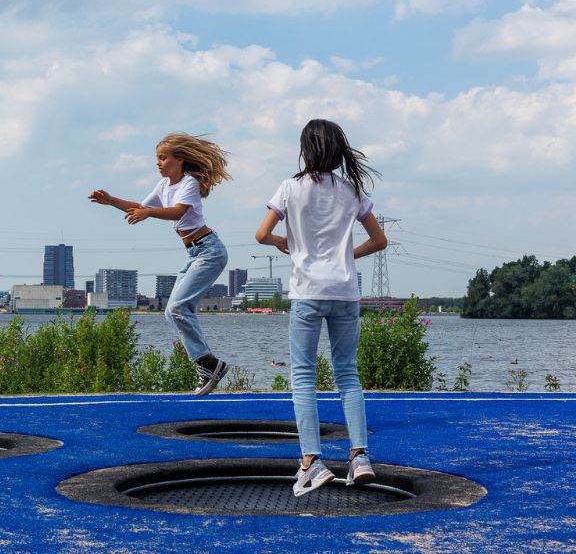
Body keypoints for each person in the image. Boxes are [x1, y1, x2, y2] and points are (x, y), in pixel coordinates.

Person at [255, 119, 388, 496]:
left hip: (308, 292)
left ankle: (311, 462)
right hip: (345, 292)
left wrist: (286, 243)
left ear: (306, 150)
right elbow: (379, 240)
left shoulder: (290, 187)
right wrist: (347, 254)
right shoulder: (352, 189)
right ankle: (359, 458)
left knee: (303, 376)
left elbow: (261, 235)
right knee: (348, 374)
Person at [89, 132, 232, 396]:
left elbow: (178, 211)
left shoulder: (188, 183)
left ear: (179, 159)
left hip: (209, 250)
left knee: (178, 306)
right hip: (194, 253)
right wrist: (111, 202)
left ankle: (208, 364)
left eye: (162, 158)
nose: (158, 163)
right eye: (157, 158)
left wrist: (148, 213)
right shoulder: (163, 185)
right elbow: (140, 206)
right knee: (172, 311)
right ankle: (210, 364)